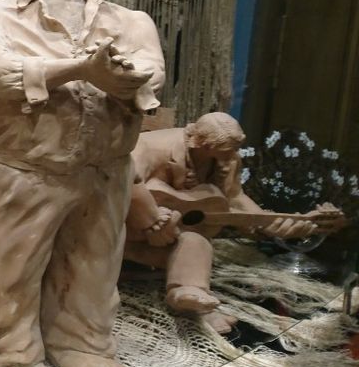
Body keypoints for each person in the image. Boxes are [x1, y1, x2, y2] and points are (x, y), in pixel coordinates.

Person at [0, 0, 165, 367]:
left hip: (104, 165)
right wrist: (81, 70)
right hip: (21, 165)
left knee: (94, 264)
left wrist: (121, 76)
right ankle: (4, 348)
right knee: (8, 265)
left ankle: (80, 345)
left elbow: (151, 73)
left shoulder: (129, 20)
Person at [124, 112, 317, 333]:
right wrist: (152, 221)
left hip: (169, 238)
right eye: (226, 150)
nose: (232, 156)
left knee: (196, 242)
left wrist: (268, 224)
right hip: (121, 232)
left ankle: (190, 295)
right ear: (201, 143)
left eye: (234, 149)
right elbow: (124, 183)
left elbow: (234, 198)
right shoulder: (151, 147)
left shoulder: (227, 156)